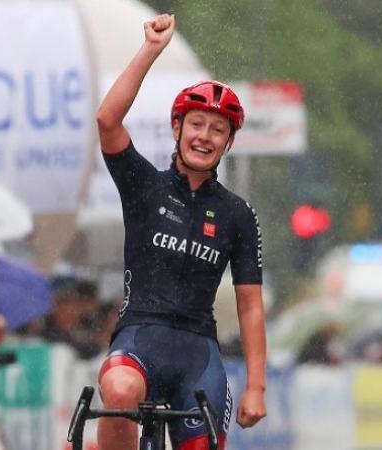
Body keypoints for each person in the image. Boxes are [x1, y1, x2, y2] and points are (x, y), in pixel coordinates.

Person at [94, 14, 266, 450]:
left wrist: (256, 387)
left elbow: (249, 306)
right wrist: (151, 49)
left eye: (218, 130)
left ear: (228, 143)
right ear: (177, 128)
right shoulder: (143, 185)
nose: (204, 136)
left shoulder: (237, 213)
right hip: (140, 337)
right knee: (118, 394)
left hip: (197, 353)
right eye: (196, 124)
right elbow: (108, 120)